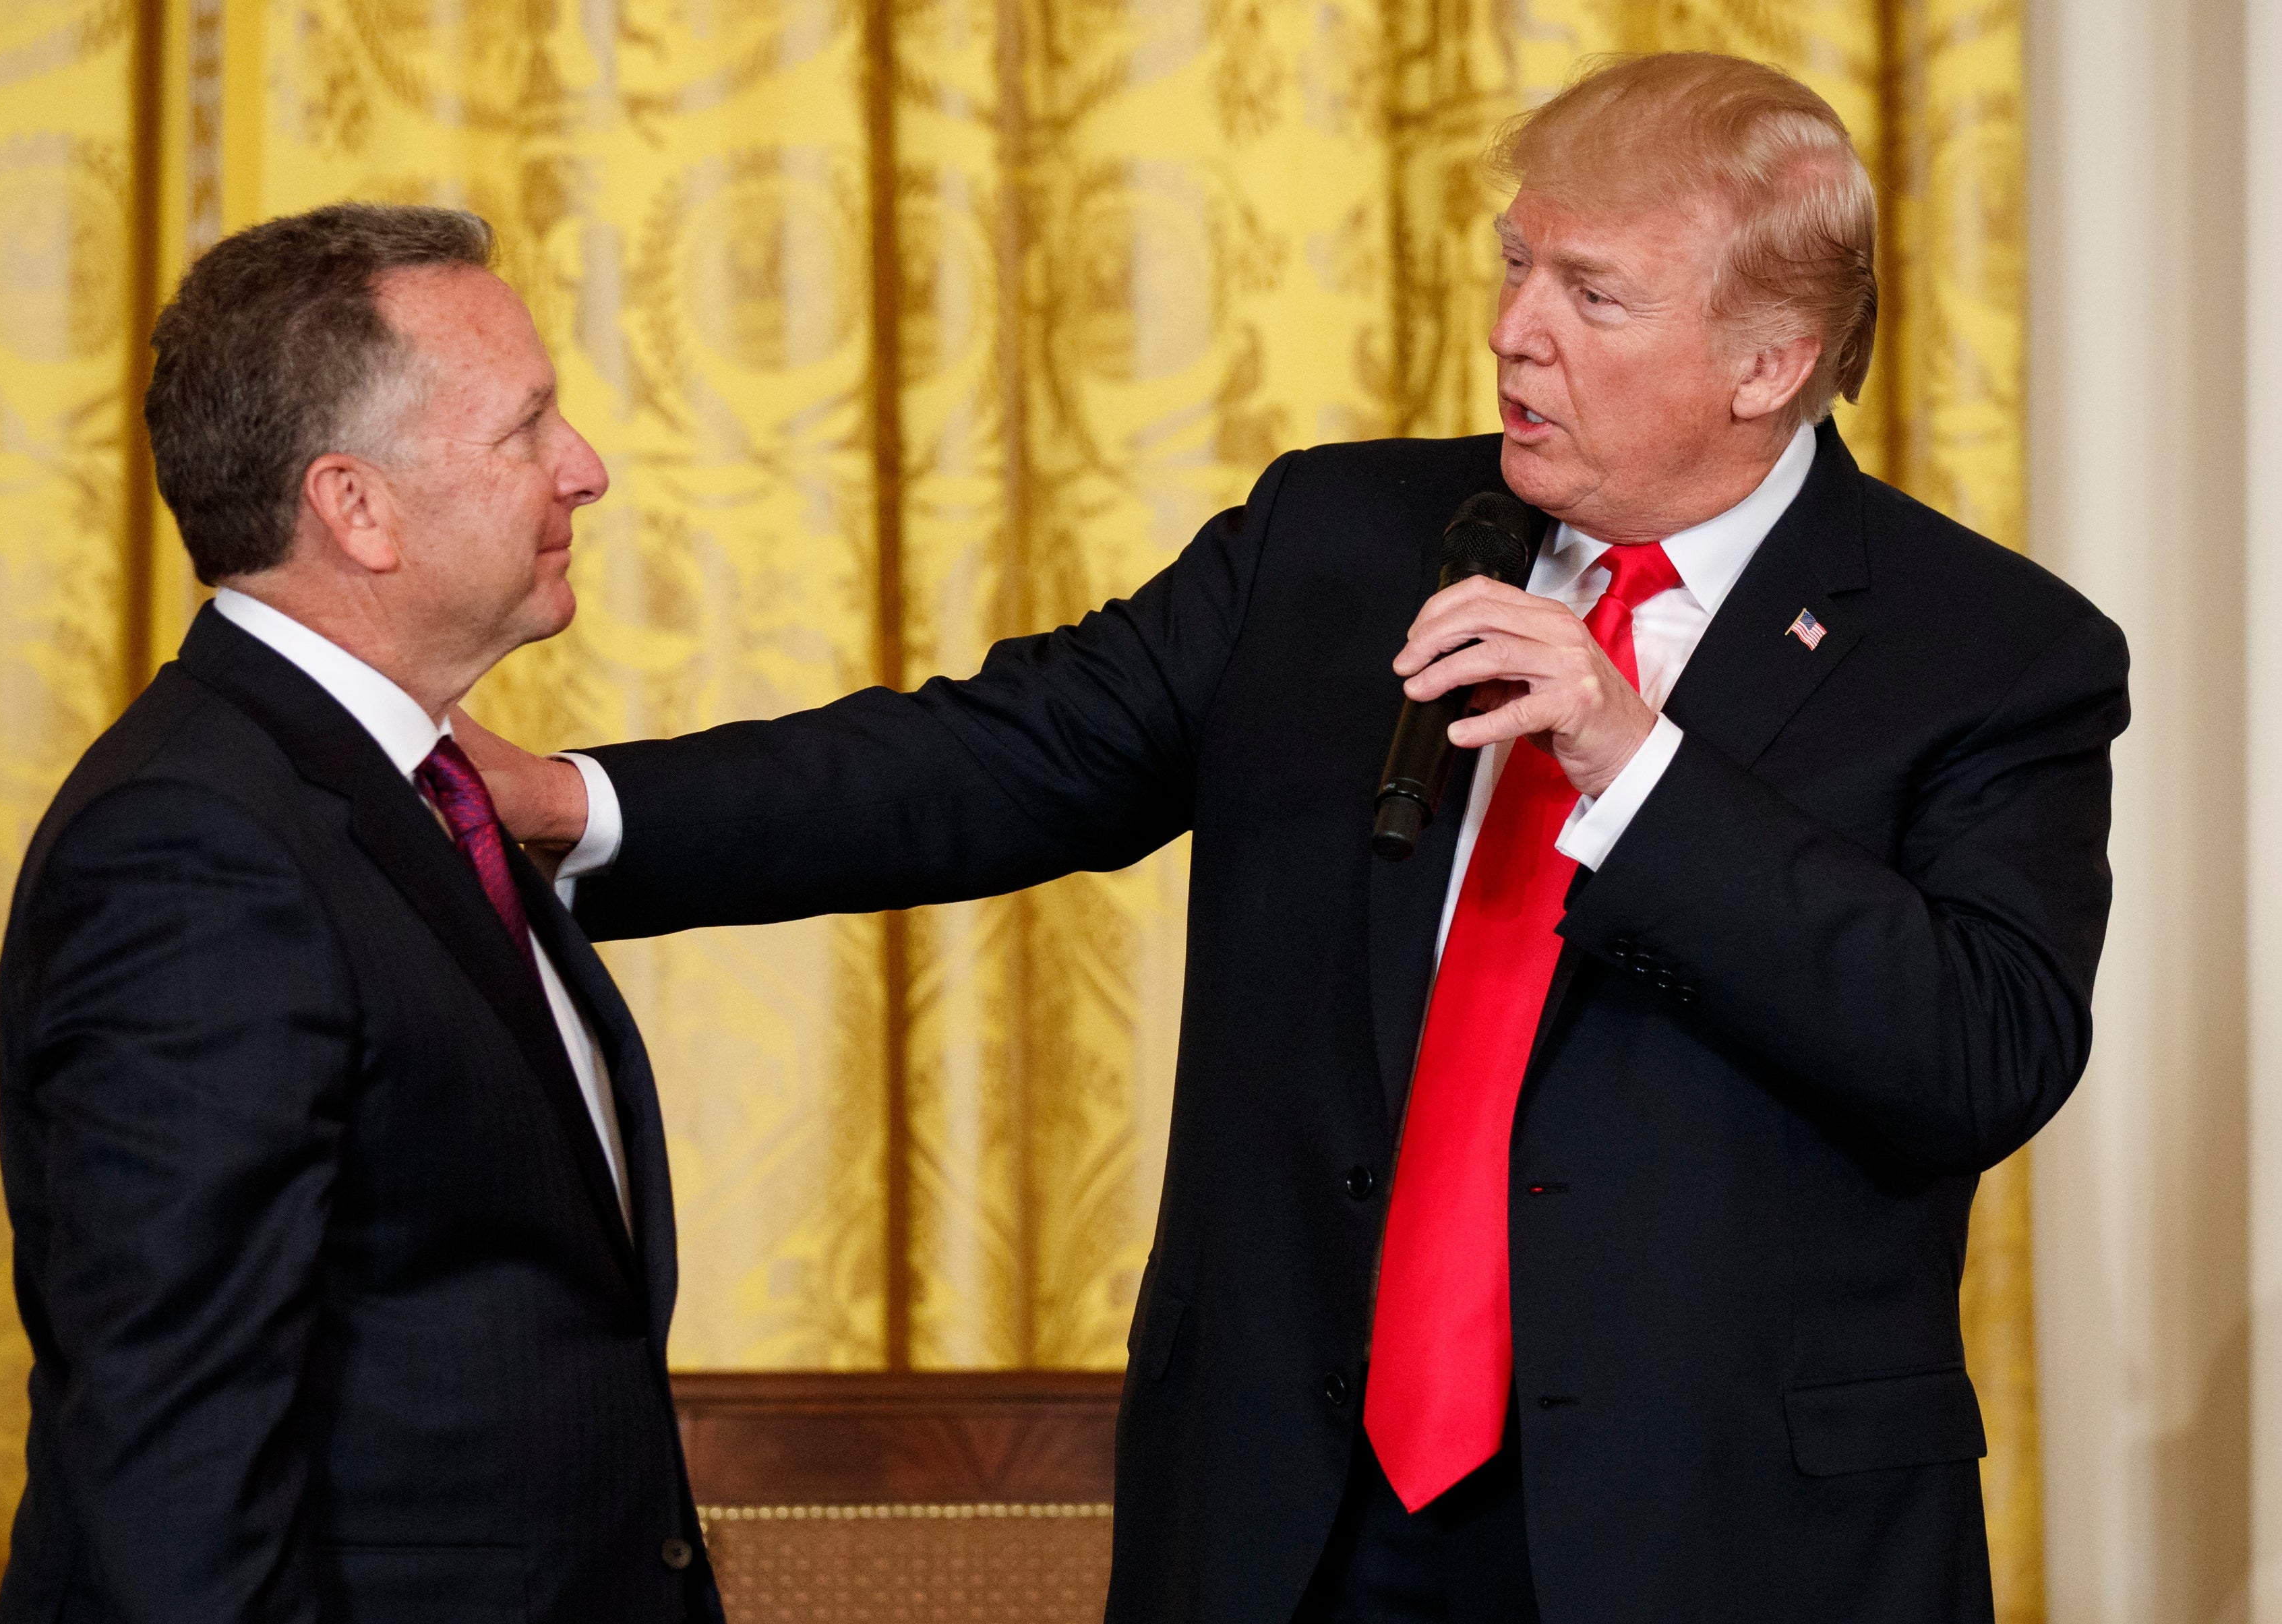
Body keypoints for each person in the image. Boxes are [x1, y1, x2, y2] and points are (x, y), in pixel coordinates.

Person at [471, 53, 2127, 1623]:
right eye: (1512, 266)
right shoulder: (1340, 538)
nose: (1512, 335)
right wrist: (577, 804)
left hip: (1718, 1534)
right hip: (1296, 1515)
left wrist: (1636, 764)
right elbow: (995, 753)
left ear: (1768, 363)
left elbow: (1982, 1048)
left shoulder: (1985, 649)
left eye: (1590, 294)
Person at [0, 204, 720, 1624]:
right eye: (527, 428)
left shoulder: (416, 794)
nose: (586, 469)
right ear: (356, 506)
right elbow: (177, 1464)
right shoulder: (193, 850)